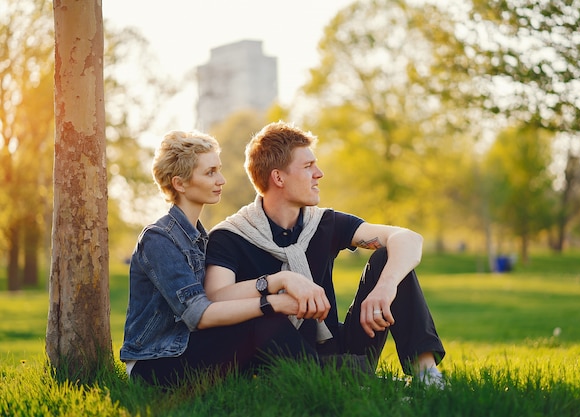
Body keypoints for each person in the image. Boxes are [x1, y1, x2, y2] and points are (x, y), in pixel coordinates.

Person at [204, 121, 446, 387]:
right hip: (277, 356)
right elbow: (216, 297)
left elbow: (407, 238)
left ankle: (428, 378)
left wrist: (385, 287)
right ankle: (361, 380)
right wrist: (278, 282)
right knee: (265, 319)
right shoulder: (231, 234)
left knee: (388, 258)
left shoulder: (322, 223)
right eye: (308, 167)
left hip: (334, 345)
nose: (318, 174)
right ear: (278, 177)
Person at [120, 130, 318, 387]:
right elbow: (198, 315)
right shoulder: (158, 239)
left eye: (219, 170)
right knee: (264, 321)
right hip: (156, 363)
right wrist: (274, 303)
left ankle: (327, 375)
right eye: (210, 172)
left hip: (189, 348)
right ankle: (332, 380)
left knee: (264, 330)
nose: (221, 180)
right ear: (180, 184)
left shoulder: (202, 238)